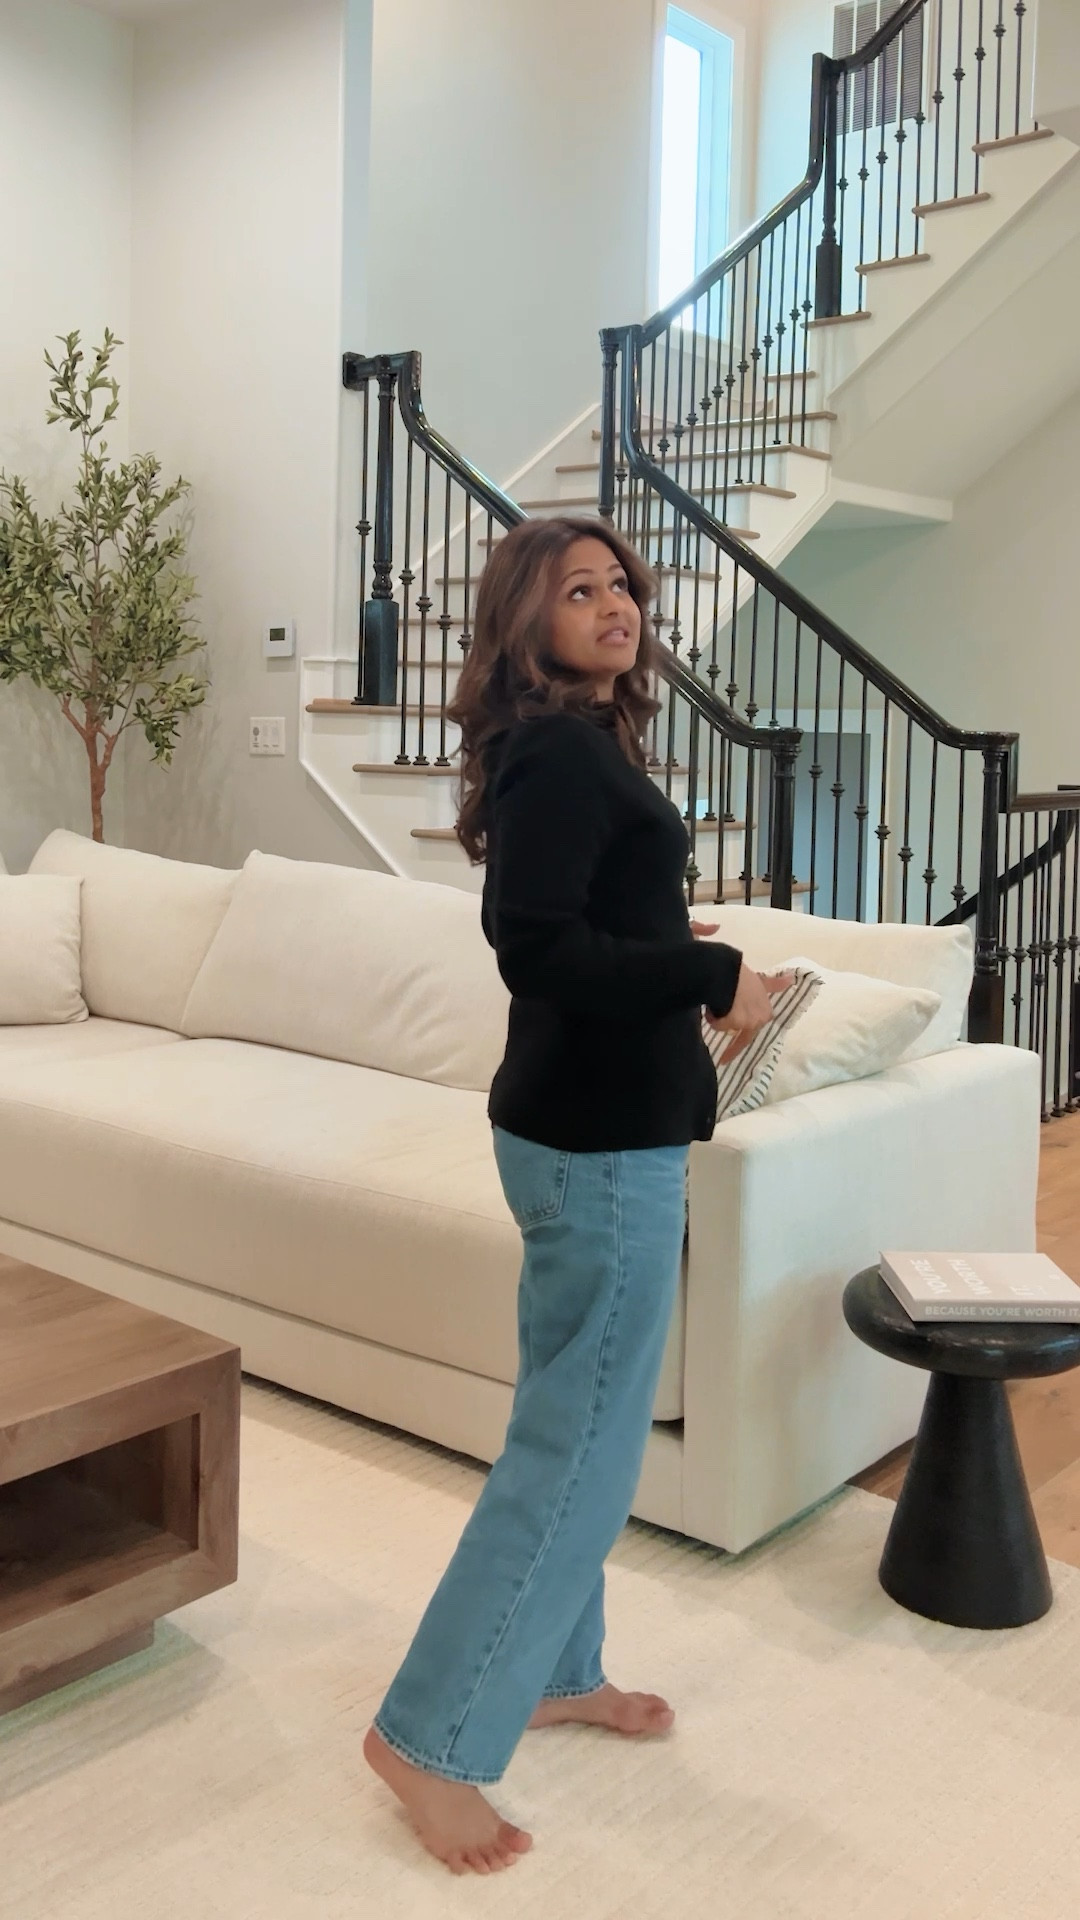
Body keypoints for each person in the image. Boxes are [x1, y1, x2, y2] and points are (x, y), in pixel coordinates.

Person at [364, 515, 791, 1875]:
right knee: (578, 1451)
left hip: (595, 1133)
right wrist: (707, 977)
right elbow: (535, 947)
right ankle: (428, 1741)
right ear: (526, 621)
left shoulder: (584, 742)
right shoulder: (556, 749)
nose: (616, 605)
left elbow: (587, 926)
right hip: (598, 1150)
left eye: (622, 586)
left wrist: (669, 940)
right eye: (579, 590)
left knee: (576, 1428)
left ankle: (555, 1671)